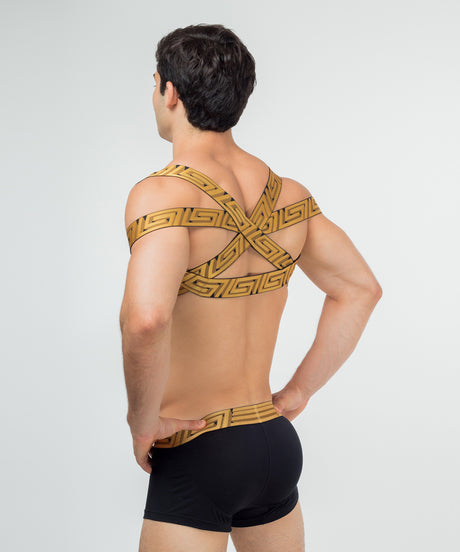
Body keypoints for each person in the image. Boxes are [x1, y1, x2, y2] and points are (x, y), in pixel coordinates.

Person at [119, 23, 382, 552]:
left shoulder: (162, 193)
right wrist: (300, 391)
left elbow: (147, 319)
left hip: (198, 446)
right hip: (273, 442)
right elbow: (359, 289)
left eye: (154, 84)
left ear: (170, 92)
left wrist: (142, 423)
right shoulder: (290, 195)